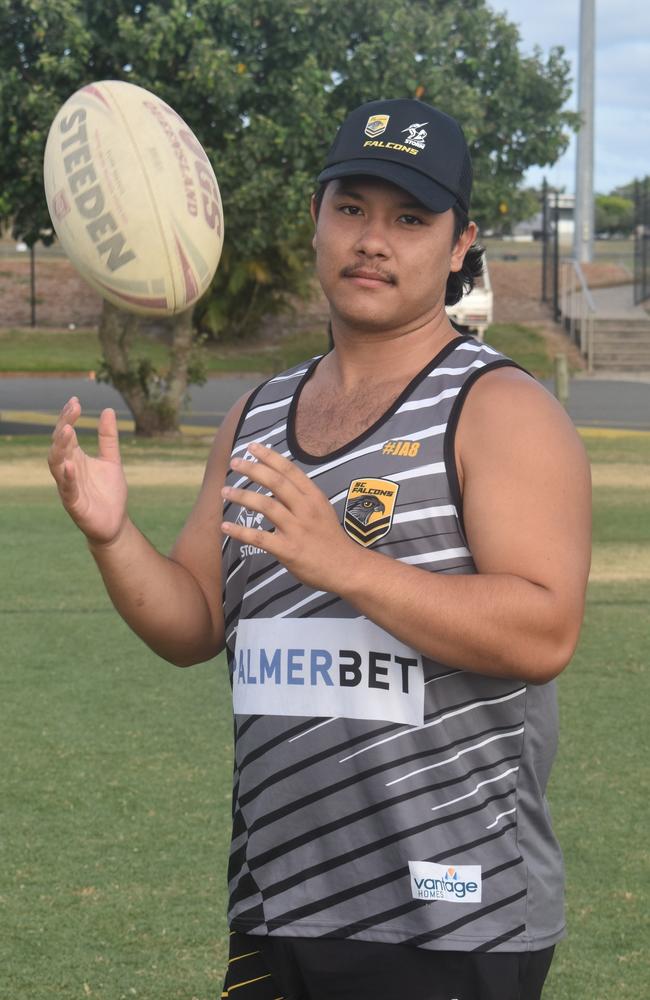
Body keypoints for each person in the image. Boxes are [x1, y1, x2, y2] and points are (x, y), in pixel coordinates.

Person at [48, 98, 591, 1000]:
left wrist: (342, 561)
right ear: (315, 219)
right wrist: (111, 535)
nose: (374, 240)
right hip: (277, 907)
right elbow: (193, 623)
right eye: (352, 209)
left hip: (452, 918)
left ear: (461, 246)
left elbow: (544, 631)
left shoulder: (499, 409)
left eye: (410, 219)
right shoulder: (258, 415)